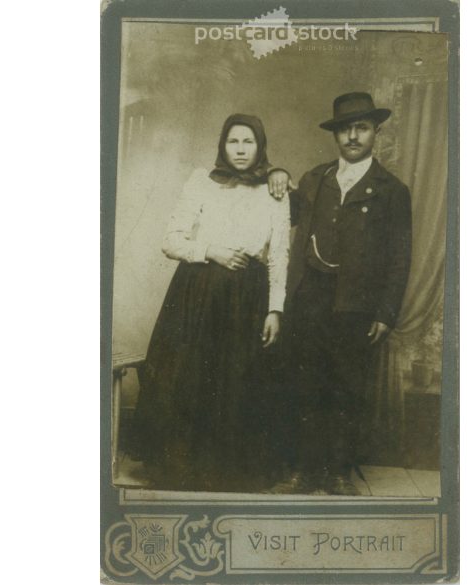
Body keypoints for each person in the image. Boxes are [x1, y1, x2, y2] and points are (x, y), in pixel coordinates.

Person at [131, 114, 291, 492]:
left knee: (237, 380)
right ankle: (183, 469)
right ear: (222, 145)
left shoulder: (276, 189)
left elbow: (280, 255)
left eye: (248, 142)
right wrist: (211, 251)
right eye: (233, 141)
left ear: (260, 147)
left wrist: (275, 309)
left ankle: (230, 472)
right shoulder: (201, 181)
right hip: (197, 293)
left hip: (247, 298)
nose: (240, 149)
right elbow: (171, 241)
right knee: (191, 378)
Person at [273, 92, 413, 496]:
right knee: (305, 385)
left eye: (362, 127)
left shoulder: (391, 190)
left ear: (376, 132)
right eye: (345, 128)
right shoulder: (315, 179)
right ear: (336, 134)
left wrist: (386, 312)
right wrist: (277, 172)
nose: (353, 136)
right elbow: (286, 211)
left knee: (346, 390)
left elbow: (400, 257)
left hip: (356, 305)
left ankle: (337, 473)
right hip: (311, 298)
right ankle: (302, 471)